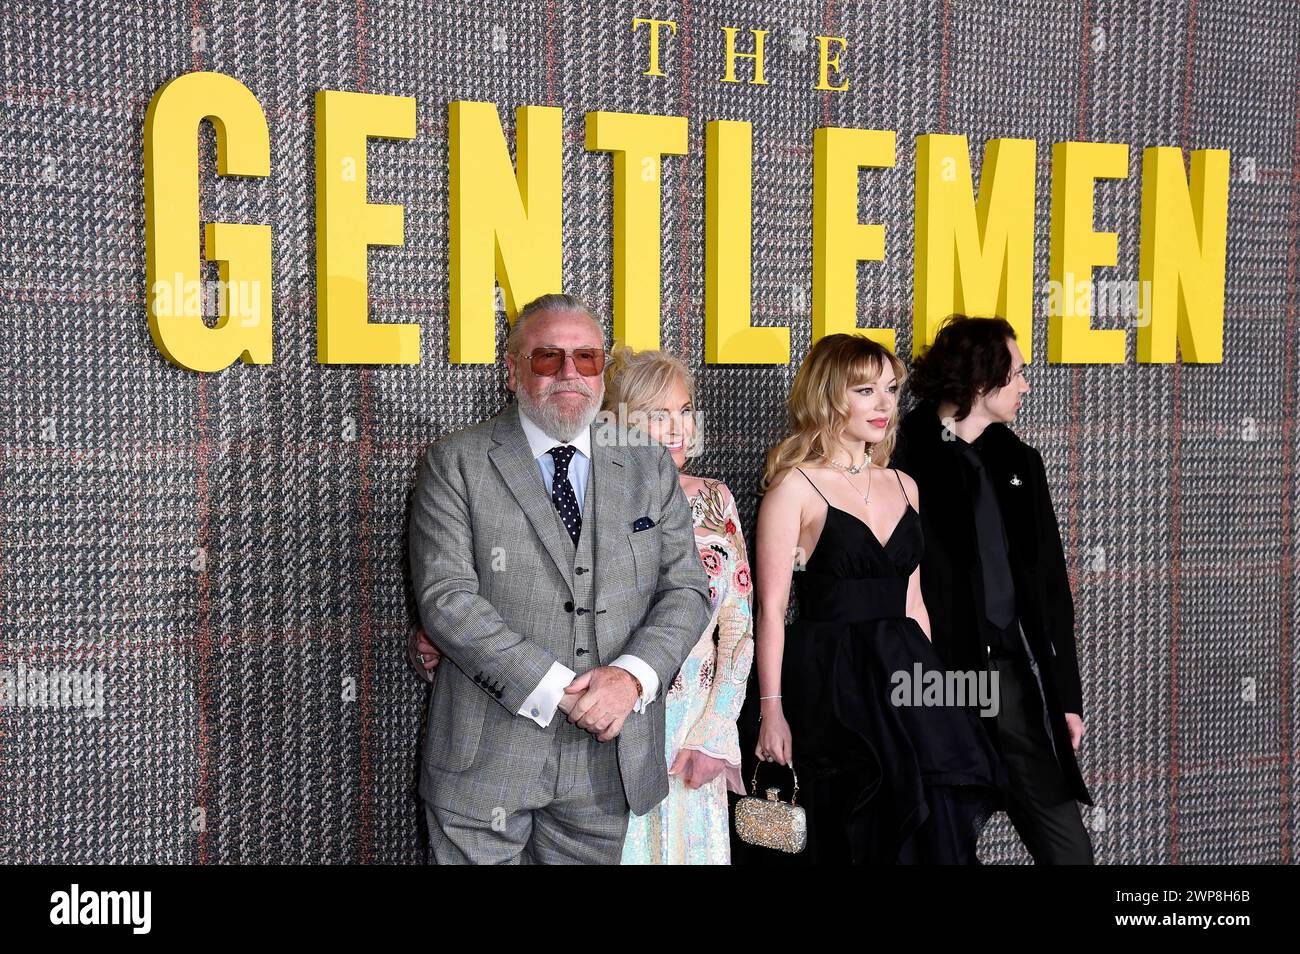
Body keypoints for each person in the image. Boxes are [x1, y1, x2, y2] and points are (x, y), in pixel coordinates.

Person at [407, 293, 713, 864]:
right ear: (513, 369)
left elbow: (688, 590)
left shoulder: (647, 463)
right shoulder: (458, 462)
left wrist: (630, 679)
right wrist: (558, 691)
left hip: (606, 766)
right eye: (548, 357)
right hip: (486, 760)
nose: (569, 373)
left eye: (587, 358)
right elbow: (447, 601)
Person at [740, 333, 1005, 864]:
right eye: (865, 390)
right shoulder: (794, 487)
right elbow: (770, 610)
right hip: (832, 681)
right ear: (828, 395)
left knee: (924, 819)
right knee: (850, 821)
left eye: (890, 388)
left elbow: (915, 604)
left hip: (906, 678)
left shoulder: (905, 485)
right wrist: (773, 711)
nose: (884, 404)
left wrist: (936, 700)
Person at [890, 315, 1095, 864]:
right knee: (941, 848)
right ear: (982, 380)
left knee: (1069, 851)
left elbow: (1052, 590)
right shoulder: (901, 454)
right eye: (1018, 373)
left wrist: (1066, 698)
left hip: (1011, 680)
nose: (1026, 385)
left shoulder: (1020, 462)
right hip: (935, 682)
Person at [599, 347, 754, 865]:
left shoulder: (715, 497)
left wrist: (715, 731)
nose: (679, 427)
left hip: (694, 729)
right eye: (658, 414)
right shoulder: (592, 501)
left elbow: (739, 626)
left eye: (685, 410)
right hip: (615, 726)